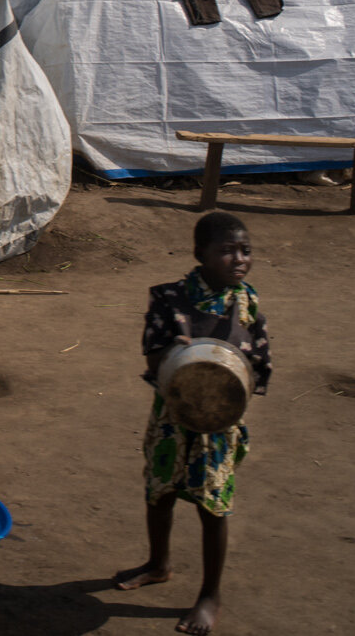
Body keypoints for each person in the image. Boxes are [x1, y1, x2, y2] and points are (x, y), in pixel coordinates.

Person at [115, 212, 271, 636]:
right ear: (199, 254)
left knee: (212, 508)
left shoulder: (247, 304)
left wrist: (233, 376)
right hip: (171, 417)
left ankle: (210, 594)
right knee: (159, 492)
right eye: (226, 251)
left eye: (245, 250)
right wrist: (176, 353)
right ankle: (158, 563)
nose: (238, 259)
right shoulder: (169, 299)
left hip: (218, 428)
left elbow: (258, 365)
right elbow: (151, 355)